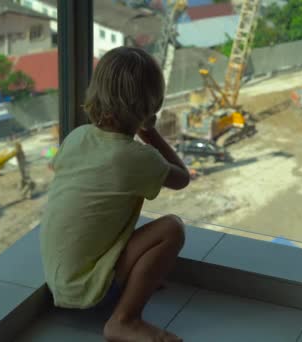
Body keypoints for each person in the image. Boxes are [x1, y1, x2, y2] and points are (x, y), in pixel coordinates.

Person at [40, 47, 190, 342]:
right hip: (90, 290)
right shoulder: (137, 158)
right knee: (171, 228)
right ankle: (124, 320)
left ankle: (135, 280)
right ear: (151, 104)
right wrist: (151, 133)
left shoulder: (77, 137)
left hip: (59, 281)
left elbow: (55, 167)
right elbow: (182, 179)